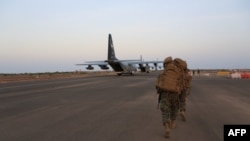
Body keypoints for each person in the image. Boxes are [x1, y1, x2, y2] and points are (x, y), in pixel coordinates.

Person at [156, 56, 180, 139]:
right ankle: (173, 123)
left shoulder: (163, 73)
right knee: (174, 108)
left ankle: (167, 127)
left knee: (165, 111)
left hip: (165, 94)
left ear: (165, 64)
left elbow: (158, 86)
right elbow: (180, 85)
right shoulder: (177, 72)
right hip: (175, 94)